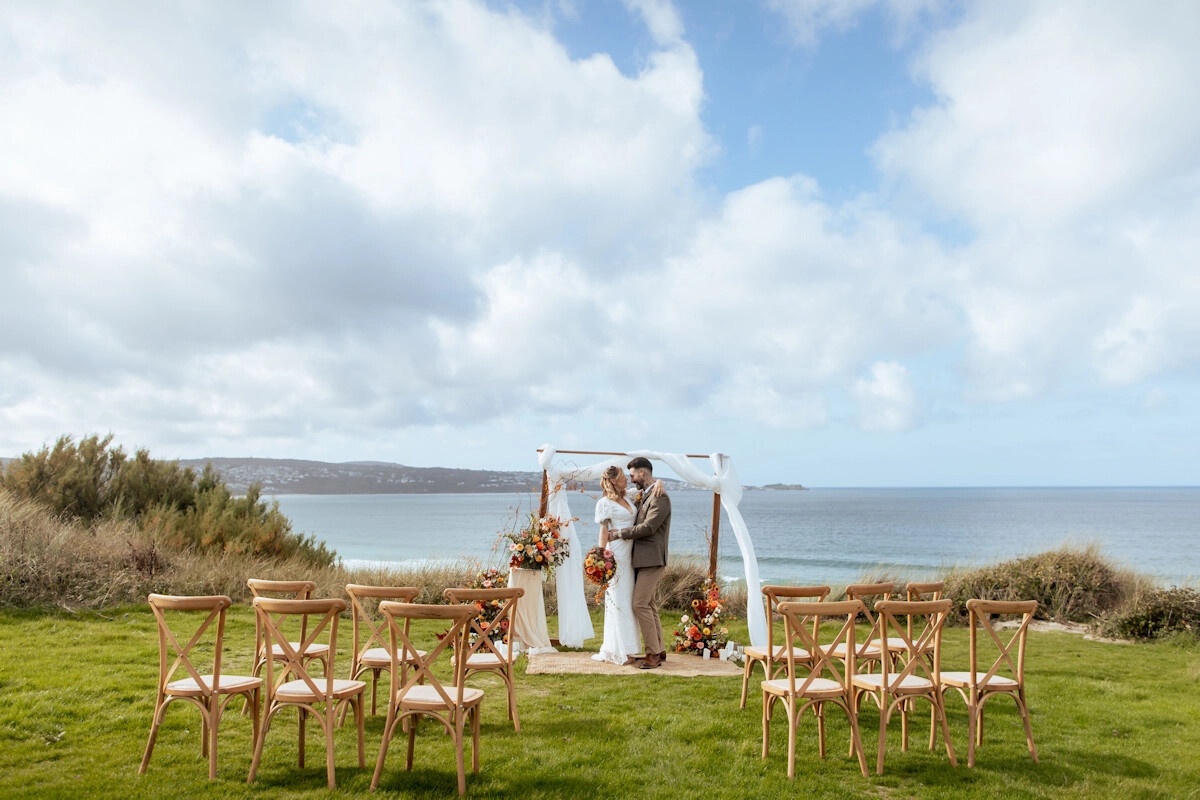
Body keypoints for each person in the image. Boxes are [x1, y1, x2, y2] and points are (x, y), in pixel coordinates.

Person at [608, 456, 672, 669]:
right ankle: (659, 650)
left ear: (642, 473)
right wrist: (659, 480)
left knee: (639, 604)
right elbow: (617, 491)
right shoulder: (646, 494)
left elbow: (649, 527)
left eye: (633, 475)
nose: (631, 479)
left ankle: (652, 654)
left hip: (653, 558)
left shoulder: (660, 498)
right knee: (649, 604)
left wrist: (619, 533)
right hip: (642, 559)